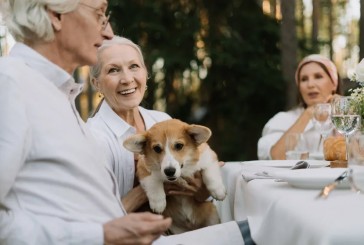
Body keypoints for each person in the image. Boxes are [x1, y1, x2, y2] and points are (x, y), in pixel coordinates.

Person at [0, 1, 254, 244]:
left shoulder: (57, 97)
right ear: (55, 14)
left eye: (134, 67)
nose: (108, 32)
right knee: (267, 229)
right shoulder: (10, 84)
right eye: (100, 14)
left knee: (268, 225)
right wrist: (101, 235)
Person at [87, 35, 212, 212]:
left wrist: (201, 187)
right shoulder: (92, 137)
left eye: (134, 66)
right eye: (113, 70)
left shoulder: (162, 121)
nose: (127, 79)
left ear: (145, 73)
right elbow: (95, 220)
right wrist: (144, 191)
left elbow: (201, 197)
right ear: (96, 83)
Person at [257, 54, 343, 160]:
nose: (310, 84)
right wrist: (308, 113)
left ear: (334, 83)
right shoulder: (283, 119)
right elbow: (276, 157)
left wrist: (344, 112)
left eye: (318, 76)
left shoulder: (351, 119)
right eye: (304, 79)